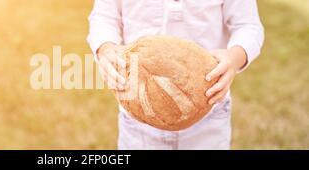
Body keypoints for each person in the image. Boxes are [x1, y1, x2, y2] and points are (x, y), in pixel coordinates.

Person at [87, 0, 264, 149]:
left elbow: (248, 25)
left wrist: (234, 58)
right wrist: (106, 48)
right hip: (138, 121)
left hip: (209, 118)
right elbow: (104, 17)